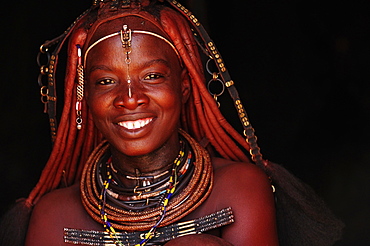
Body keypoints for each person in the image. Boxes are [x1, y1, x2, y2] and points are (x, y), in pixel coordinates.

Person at [0, 1, 343, 246]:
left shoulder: (238, 189)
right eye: (106, 81)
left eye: (152, 76)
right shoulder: (54, 217)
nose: (130, 98)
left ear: (184, 87)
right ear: (84, 99)